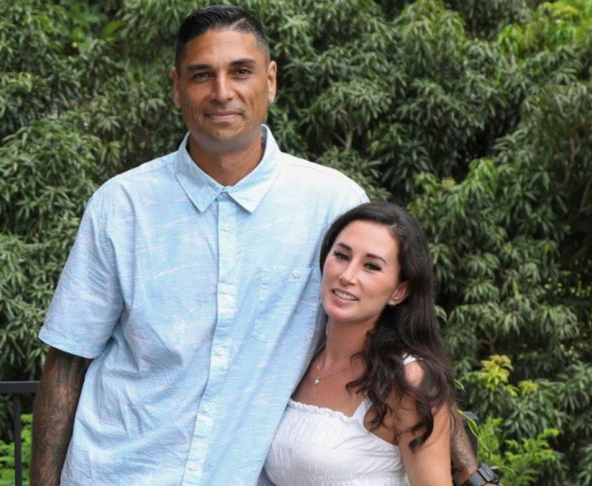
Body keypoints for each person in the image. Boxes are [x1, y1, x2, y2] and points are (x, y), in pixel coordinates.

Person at [31, 5, 496, 486]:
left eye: (241, 71)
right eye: (201, 75)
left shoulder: (331, 202)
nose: (222, 92)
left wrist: (471, 474)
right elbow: (67, 360)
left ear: (270, 81)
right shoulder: (121, 205)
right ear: (176, 87)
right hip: (116, 474)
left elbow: (400, 344)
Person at [264, 202, 456, 485]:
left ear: (400, 290)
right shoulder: (296, 358)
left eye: (371, 266)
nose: (347, 276)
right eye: (341, 256)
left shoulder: (408, 379)